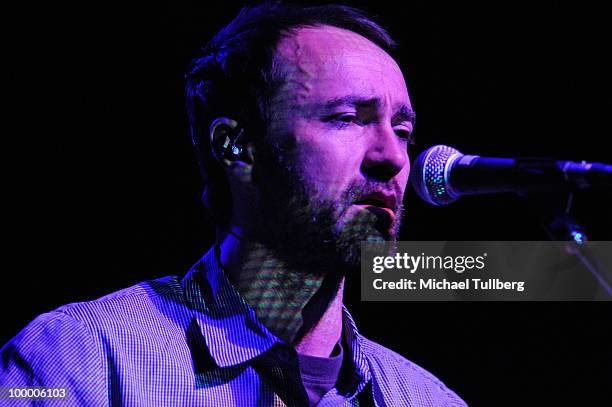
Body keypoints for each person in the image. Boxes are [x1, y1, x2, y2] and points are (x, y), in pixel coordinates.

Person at [1, 2, 468, 406]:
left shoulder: (428, 398)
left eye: (403, 132)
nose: (392, 157)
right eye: (347, 118)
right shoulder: (81, 358)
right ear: (236, 146)